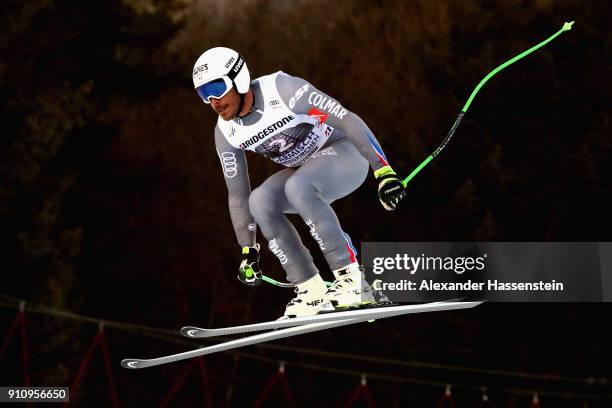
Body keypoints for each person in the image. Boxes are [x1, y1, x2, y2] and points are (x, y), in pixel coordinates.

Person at [193, 47, 406, 319]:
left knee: (297, 186)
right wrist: (248, 250)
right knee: (260, 201)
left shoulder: (282, 90)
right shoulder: (226, 132)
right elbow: (237, 195)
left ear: (239, 78)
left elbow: (347, 118)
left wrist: (383, 171)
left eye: (217, 88)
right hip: (307, 171)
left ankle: (352, 280)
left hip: (344, 154)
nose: (213, 100)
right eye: (203, 94)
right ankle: (310, 288)